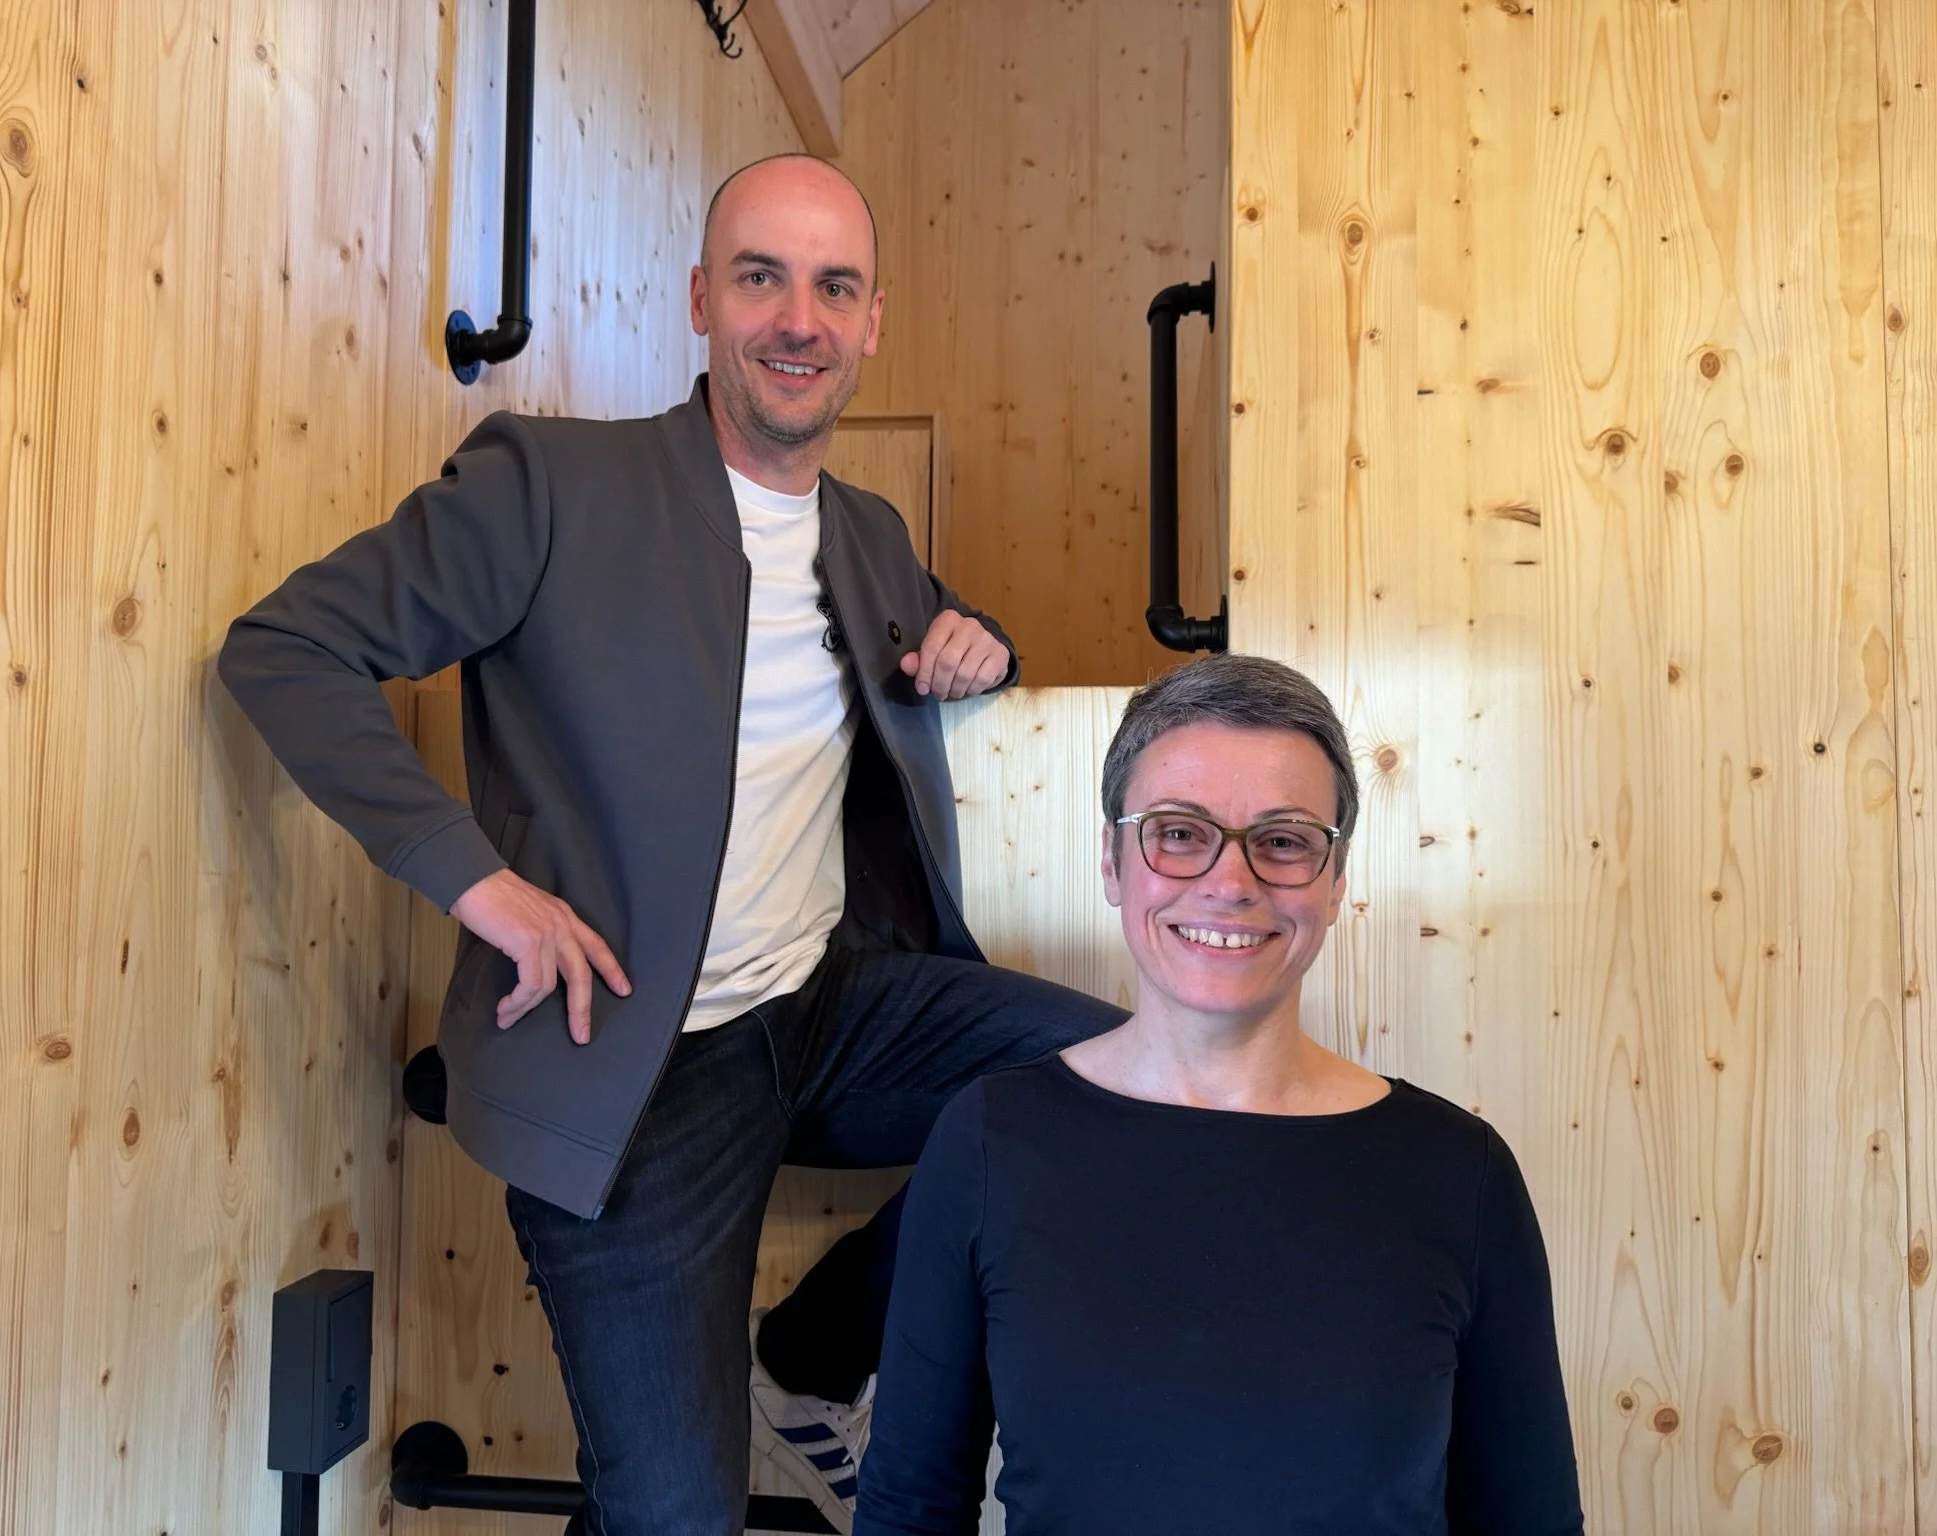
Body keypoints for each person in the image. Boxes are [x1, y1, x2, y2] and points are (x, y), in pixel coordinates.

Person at [216, 153, 1125, 1536]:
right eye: (762, 278)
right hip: (635, 1062)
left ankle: (811, 1361)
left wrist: (983, 645)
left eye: (834, 288)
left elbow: (944, 635)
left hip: (827, 1007)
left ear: (873, 321)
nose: (799, 321)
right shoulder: (550, 483)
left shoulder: (868, 532)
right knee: (675, 1516)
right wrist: (480, 884)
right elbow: (287, 649)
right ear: (701, 299)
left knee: (1122, 1089)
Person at [855, 654, 1585, 1535]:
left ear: (1335, 880)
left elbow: (1529, 1519)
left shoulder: (1459, 1172)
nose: (1230, 883)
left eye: (1283, 841)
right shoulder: (989, 1142)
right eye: (1178, 832)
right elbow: (911, 1508)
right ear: (1113, 861)